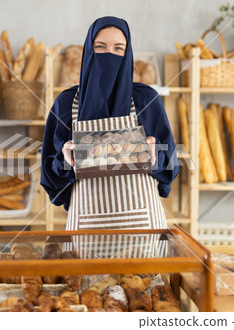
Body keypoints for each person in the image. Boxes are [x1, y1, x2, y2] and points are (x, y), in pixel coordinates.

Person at [41, 16, 179, 239]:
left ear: (128, 54)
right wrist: (65, 162)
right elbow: (50, 174)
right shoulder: (66, 103)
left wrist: (155, 157)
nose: (109, 55)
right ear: (88, 50)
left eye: (118, 48)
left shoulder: (147, 100)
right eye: (100, 47)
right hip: (87, 228)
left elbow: (170, 165)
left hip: (142, 228)